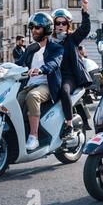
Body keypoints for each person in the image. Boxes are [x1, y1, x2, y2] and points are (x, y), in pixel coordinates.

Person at [16, 12, 64, 151]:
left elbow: (55, 62)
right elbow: (18, 63)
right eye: (32, 28)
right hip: (30, 84)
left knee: (33, 97)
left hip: (47, 84)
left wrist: (41, 69)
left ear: (47, 28)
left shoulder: (56, 47)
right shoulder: (31, 48)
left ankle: (33, 136)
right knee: (14, 102)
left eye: (37, 27)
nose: (33, 31)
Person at [51, 0, 92, 140]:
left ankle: (69, 125)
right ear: (53, 25)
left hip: (68, 77)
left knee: (64, 90)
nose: (60, 26)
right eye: (58, 23)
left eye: (64, 23)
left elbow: (85, 29)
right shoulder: (49, 40)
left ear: (68, 25)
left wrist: (85, 11)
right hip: (51, 75)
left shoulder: (72, 38)